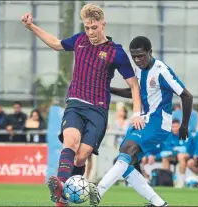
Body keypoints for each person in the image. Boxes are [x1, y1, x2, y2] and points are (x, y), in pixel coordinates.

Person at [21, 3, 144, 206]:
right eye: (87, 27)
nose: (90, 32)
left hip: (98, 109)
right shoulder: (79, 40)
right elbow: (55, 43)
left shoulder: (116, 52)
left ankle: (65, 196)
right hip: (76, 103)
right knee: (70, 140)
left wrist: (137, 113)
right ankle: (60, 187)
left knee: (81, 157)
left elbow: (133, 85)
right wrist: (32, 27)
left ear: (103, 25)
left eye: (94, 27)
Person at [88, 36, 193, 207]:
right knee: (124, 162)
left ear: (150, 52)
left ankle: (98, 192)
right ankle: (159, 203)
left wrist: (184, 125)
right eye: (134, 56)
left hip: (158, 122)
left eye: (141, 56)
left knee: (127, 150)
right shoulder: (139, 70)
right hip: (143, 120)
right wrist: (107, 88)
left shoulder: (161, 70)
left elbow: (187, 96)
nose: (137, 60)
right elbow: (133, 92)